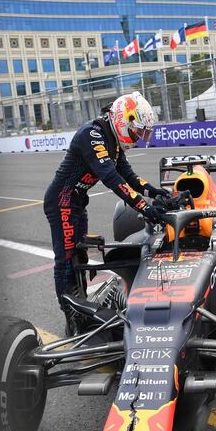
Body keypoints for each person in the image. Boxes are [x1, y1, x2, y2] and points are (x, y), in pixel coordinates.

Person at [43, 91, 168, 332]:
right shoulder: (92, 135)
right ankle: (70, 314)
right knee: (67, 259)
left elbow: (128, 176)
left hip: (77, 202)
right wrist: (143, 207)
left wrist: (153, 192)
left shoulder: (113, 141)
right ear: (124, 119)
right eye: (136, 131)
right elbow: (111, 178)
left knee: (79, 256)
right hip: (62, 202)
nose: (137, 137)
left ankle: (80, 303)